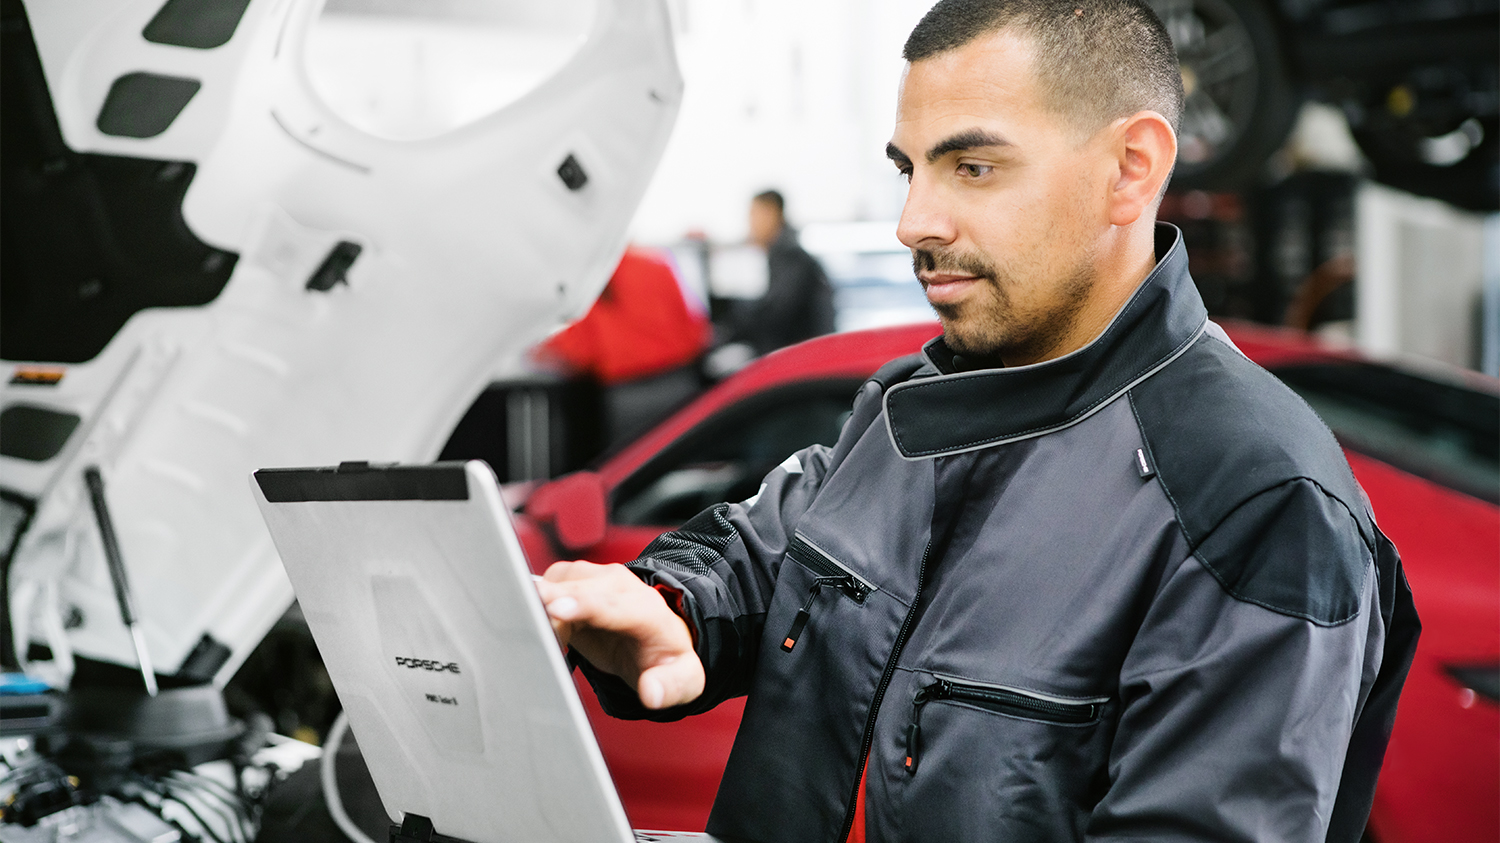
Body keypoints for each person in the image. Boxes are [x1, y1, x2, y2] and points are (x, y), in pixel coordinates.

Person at [537, 2, 1419, 841]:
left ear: (1131, 169)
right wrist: (673, 606)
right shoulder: (915, 403)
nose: (914, 221)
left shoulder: (1253, 507)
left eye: (973, 167)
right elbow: (772, 554)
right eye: (907, 169)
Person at [534, 245, 711, 444]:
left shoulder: (591, 279)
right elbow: (697, 329)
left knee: (637, 464)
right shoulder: (655, 263)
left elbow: (580, 352)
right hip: (679, 384)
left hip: (627, 395)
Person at [728, 190, 836, 356]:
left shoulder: (790, 257)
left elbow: (776, 314)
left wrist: (731, 323)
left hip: (802, 359)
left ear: (771, 213)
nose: (750, 223)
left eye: (753, 214)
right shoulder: (782, 253)